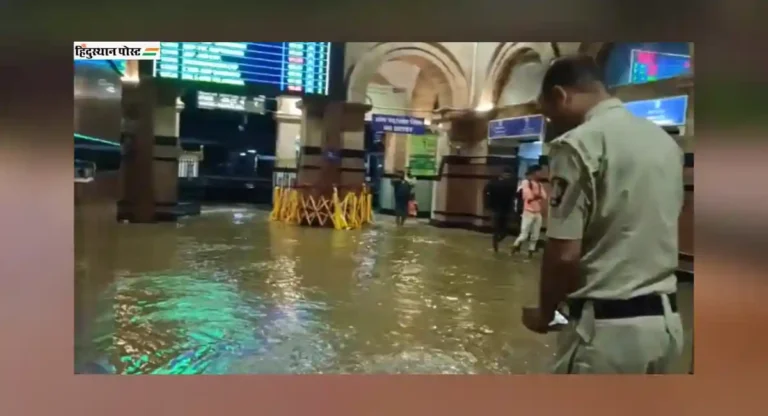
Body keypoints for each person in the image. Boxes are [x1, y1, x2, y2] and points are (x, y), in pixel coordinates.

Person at [521, 55, 685, 374]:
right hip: (667, 330)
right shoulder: (664, 144)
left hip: (606, 335)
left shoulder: (579, 144)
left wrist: (544, 312)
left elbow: (565, 254)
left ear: (560, 96)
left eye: (548, 113)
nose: (550, 124)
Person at [511, 164, 547, 257]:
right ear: (534, 173)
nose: (541, 174)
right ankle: (514, 247)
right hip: (528, 211)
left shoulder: (539, 184)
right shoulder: (526, 182)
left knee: (535, 235)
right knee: (524, 234)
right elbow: (528, 196)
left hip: (537, 212)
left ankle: (530, 252)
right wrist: (536, 196)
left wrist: (535, 196)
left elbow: (544, 196)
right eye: (539, 172)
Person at [483, 167, 517, 252]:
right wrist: (487, 204)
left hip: (506, 208)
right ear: (502, 174)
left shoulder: (511, 184)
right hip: (496, 208)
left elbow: (514, 196)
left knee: (505, 228)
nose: (508, 176)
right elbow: (486, 192)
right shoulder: (493, 182)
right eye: (506, 175)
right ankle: (495, 245)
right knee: (496, 227)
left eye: (509, 175)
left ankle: (497, 240)